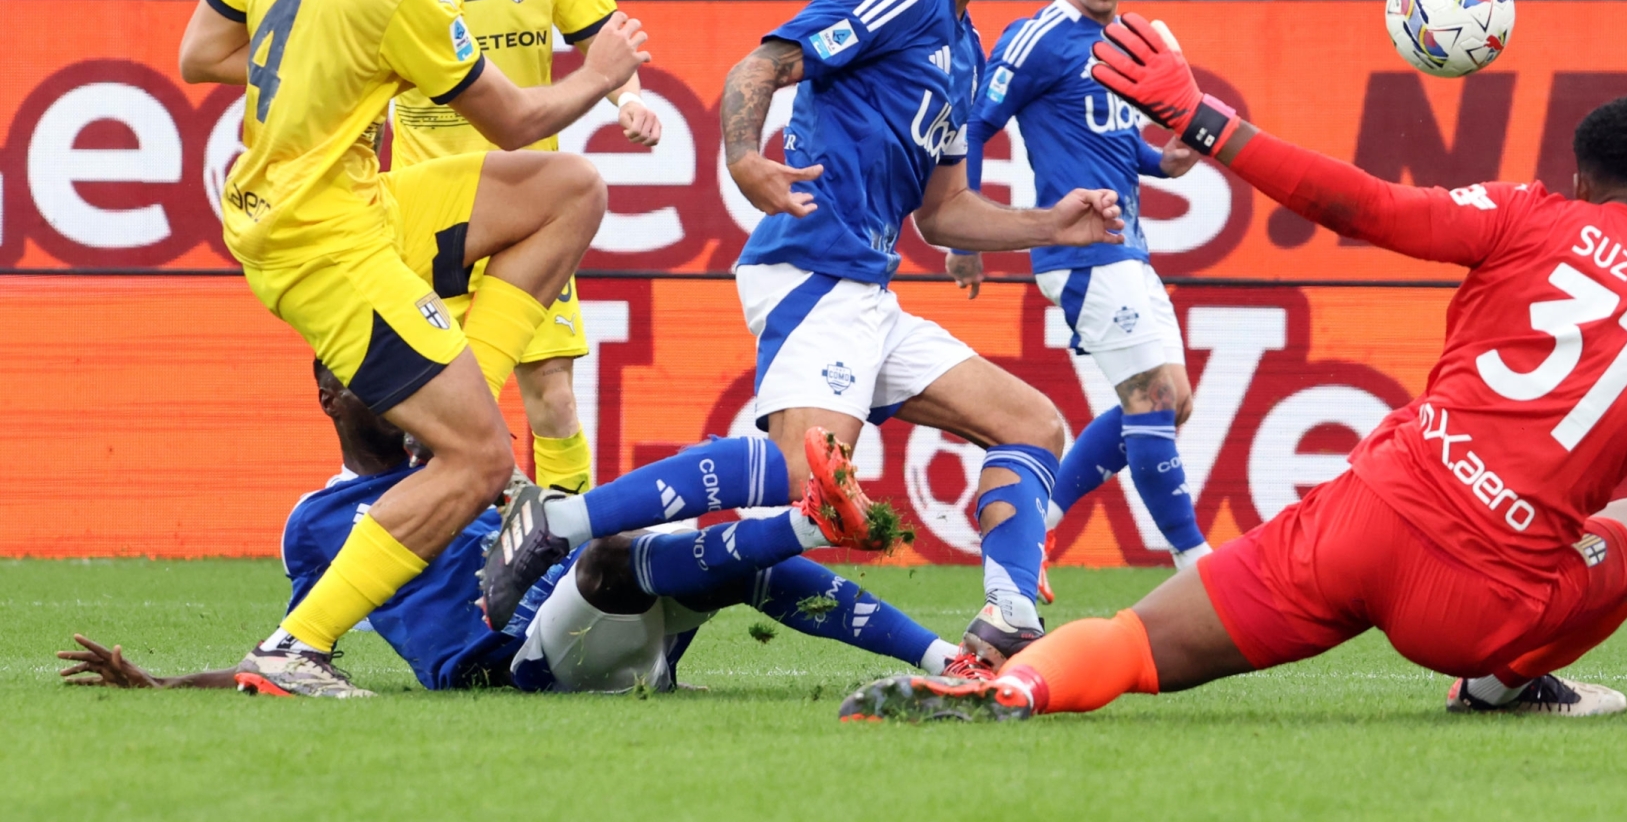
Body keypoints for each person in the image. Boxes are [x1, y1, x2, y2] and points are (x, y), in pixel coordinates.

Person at [840, 17, 1627, 727]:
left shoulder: (1529, 215)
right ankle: (1502, 684)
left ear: (1579, 181)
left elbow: (1365, 206)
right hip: (1483, 602)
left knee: (1137, 642)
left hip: (1368, 514)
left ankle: (1012, 684)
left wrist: (1205, 122)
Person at [174, 0, 649, 696]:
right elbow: (515, 117)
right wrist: (603, 70)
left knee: (571, 190)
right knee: (481, 458)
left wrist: (331, 65)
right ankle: (293, 649)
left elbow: (200, 53)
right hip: (324, 242)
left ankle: (463, 401)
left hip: (346, 202)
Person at [719, 0, 1125, 666]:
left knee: (1033, 424)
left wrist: (1054, 222)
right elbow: (760, 66)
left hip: (866, 290)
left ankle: (1009, 619)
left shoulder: (965, 47)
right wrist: (745, 159)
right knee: (810, 490)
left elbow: (944, 213)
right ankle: (596, 539)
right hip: (812, 271)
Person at [57, 364, 972, 696]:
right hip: (508, 665)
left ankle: (948, 661)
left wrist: (527, 511)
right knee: (627, 556)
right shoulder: (316, 521)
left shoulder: (470, 472)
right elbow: (292, 652)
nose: (408, 393)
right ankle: (806, 516)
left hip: (587, 629)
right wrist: (166, 681)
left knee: (726, 565)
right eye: (378, 382)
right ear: (330, 397)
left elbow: (544, 544)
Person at [950, 0, 1211, 575]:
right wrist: (966, 227)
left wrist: (1166, 161)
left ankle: (1035, 529)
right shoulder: (1038, 35)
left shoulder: (1130, 39)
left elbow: (1117, 141)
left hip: (1129, 244)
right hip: (1080, 249)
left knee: (1172, 401)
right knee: (1152, 397)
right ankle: (1197, 563)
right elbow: (977, 124)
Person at [399, 0, 663, 496]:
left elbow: (605, 41)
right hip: (429, 220)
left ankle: (567, 560)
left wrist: (629, 100)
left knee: (552, 396)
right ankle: (439, 555)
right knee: (423, 415)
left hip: (527, 216)